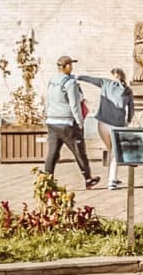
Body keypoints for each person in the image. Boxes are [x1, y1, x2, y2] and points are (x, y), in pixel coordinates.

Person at [40, 54, 107, 189]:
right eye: (71, 65)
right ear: (67, 67)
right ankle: (88, 179)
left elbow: (48, 100)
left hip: (52, 122)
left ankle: (46, 182)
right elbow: (74, 105)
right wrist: (80, 122)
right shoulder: (70, 83)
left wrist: (48, 115)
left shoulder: (52, 81)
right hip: (67, 123)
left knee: (52, 153)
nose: (72, 67)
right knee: (79, 151)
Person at [94, 67, 134, 189]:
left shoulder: (106, 84)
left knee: (112, 150)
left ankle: (113, 177)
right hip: (117, 125)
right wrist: (127, 121)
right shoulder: (127, 91)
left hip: (102, 124)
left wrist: (77, 77)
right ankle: (111, 180)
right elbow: (131, 110)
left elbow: (90, 79)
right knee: (115, 152)